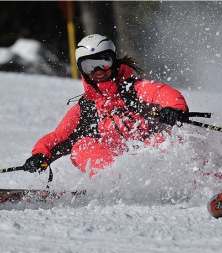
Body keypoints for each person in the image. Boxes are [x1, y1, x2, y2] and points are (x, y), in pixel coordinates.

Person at [23, 34, 188, 177]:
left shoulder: (134, 89)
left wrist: (175, 109)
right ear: (82, 70)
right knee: (81, 147)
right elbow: (59, 136)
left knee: (168, 138)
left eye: (103, 62)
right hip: (116, 164)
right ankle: (114, 182)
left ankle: (197, 178)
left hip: (152, 158)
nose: (98, 71)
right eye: (89, 66)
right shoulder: (87, 107)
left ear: (114, 60)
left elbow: (164, 93)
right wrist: (40, 155)